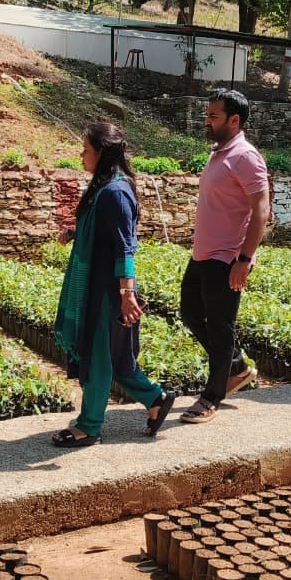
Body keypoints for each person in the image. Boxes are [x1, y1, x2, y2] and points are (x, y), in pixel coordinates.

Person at [52, 122, 176, 447]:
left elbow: (124, 249)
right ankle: (155, 399)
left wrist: (126, 294)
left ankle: (89, 426)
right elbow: (103, 234)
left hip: (108, 292)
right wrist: (75, 233)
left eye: (85, 150)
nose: (81, 156)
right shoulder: (104, 188)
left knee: (98, 358)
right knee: (116, 358)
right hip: (98, 287)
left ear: (101, 153)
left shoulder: (116, 192)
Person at [178, 88, 271, 423]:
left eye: (213, 116)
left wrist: (244, 260)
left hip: (227, 257)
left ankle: (212, 396)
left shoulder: (245, 157)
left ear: (234, 120)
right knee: (190, 313)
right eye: (208, 115)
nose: (207, 120)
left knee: (220, 327)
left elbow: (261, 212)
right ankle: (235, 366)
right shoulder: (219, 153)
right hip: (203, 253)